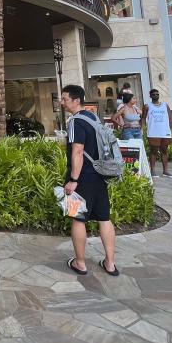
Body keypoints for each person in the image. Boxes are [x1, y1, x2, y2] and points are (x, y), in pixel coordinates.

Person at [62, 85, 118, 277]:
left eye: (65, 99)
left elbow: (78, 151)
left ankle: (80, 263)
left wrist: (73, 180)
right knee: (104, 218)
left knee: (78, 219)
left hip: (83, 177)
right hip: (99, 174)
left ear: (76, 100)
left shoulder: (75, 122)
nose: (62, 102)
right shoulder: (93, 117)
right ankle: (110, 263)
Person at [142, 89, 172, 177]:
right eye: (153, 94)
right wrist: (142, 129)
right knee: (153, 151)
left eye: (157, 94)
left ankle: (165, 171)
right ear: (150, 96)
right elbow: (143, 118)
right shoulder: (147, 106)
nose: (155, 95)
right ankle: (152, 170)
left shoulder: (165, 105)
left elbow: (170, 119)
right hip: (153, 132)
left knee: (164, 151)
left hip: (165, 132)